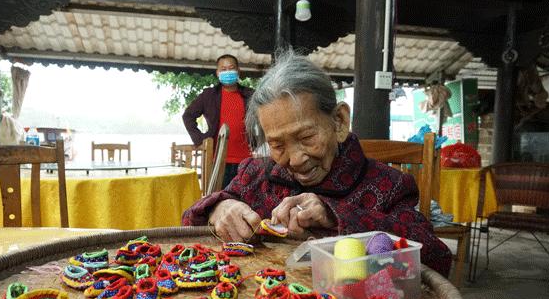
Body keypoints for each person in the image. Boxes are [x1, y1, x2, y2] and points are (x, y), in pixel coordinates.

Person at [182, 51, 452, 277]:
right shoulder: (257, 176)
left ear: (339, 121)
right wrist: (219, 207)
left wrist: (335, 215)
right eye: (277, 145)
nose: (296, 159)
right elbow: (186, 224)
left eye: (307, 137)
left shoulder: (387, 185)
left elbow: (437, 257)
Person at [182, 54, 254, 188]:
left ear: (238, 71)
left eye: (231, 68)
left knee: (246, 201)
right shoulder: (209, 95)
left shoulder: (250, 95)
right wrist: (200, 140)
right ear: (217, 73)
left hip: (247, 160)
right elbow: (188, 116)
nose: (227, 72)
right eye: (223, 69)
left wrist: (258, 142)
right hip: (218, 160)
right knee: (220, 202)